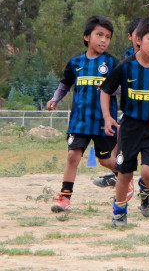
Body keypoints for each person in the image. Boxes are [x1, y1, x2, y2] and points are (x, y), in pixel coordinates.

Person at [100, 18, 149, 227]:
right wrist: (108, 117)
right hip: (130, 127)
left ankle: (146, 193)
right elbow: (105, 91)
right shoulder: (126, 66)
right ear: (138, 40)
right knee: (124, 172)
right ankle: (119, 211)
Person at [46, 16, 120, 212]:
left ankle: (123, 175)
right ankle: (65, 198)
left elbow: (123, 87)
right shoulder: (76, 62)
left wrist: (109, 89)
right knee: (72, 156)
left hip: (103, 121)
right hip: (79, 122)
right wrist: (55, 99)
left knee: (105, 160)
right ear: (87, 37)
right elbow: (65, 84)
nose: (104, 40)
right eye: (99, 35)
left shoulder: (111, 62)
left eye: (108, 37)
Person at [93, 17, 145, 188]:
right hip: (131, 110)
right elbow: (126, 85)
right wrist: (108, 88)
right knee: (117, 142)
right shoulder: (128, 57)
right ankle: (119, 174)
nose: (142, 38)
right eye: (139, 34)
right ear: (131, 36)